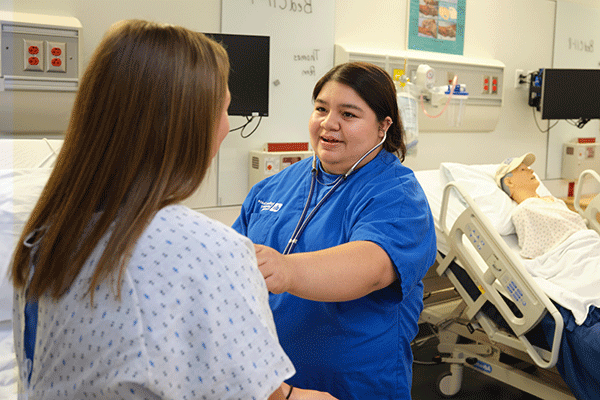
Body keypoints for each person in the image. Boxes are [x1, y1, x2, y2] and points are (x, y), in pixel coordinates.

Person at [9, 19, 335, 400]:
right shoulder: (209, 252)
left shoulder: (43, 241)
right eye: (223, 110)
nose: (227, 127)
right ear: (188, 125)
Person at [233, 62, 437, 400]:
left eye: (349, 114)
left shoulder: (397, 195)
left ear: (383, 126)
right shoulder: (273, 188)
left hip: (352, 387)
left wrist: (285, 269)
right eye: (321, 109)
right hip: (270, 385)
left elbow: (370, 267)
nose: (329, 124)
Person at [495, 153, 600, 400]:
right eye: (522, 169)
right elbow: (536, 252)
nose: (531, 171)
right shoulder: (524, 211)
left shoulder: (553, 202)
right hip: (572, 257)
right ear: (509, 182)